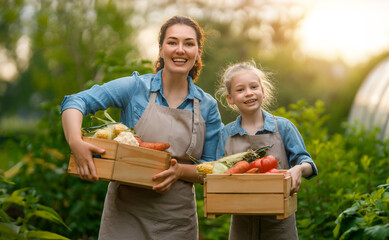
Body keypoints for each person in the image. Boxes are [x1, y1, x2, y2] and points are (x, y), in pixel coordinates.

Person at [60, 15, 222, 240]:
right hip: (125, 217)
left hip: (178, 223)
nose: (180, 50)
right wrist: (76, 142)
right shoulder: (136, 88)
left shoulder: (208, 106)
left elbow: (212, 170)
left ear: (198, 52)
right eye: (172, 42)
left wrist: (179, 172)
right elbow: (75, 102)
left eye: (189, 43)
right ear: (160, 49)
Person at [215, 61, 318, 240]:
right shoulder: (226, 134)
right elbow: (215, 174)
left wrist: (299, 169)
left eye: (254, 87)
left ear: (263, 90)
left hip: (280, 226)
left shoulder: (283, 127)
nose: (248, 93)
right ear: (230, 99)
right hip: (241, 226)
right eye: (240, 90)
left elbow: (307, 162)